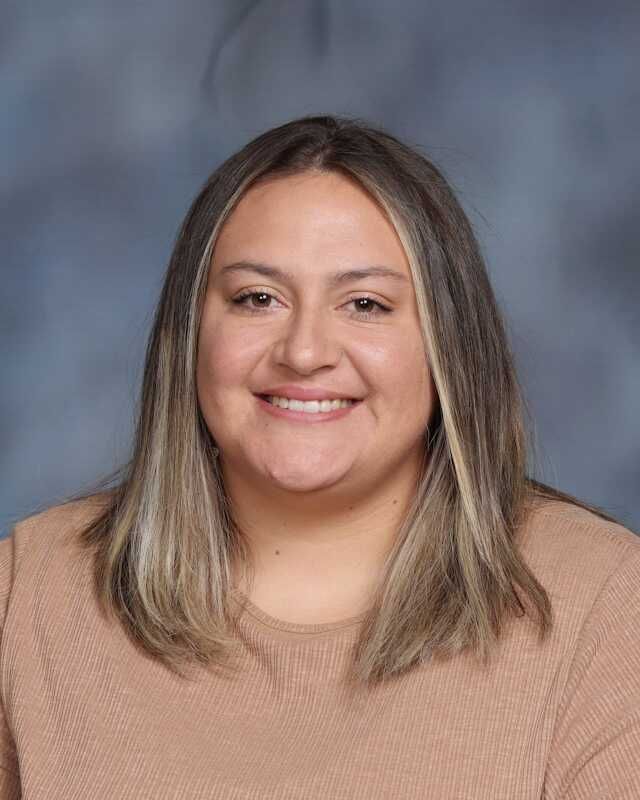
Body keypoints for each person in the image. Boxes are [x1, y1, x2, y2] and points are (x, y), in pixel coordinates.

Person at [1, 115, 639, 799]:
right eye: (257, 299)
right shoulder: (29, 594)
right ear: (188, 336)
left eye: (365, 304)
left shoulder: (604, 607)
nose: (304, 351)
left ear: (449, 345)